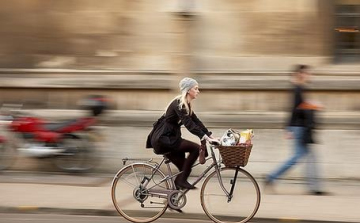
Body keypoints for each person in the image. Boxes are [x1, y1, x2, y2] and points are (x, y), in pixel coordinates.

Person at [264, 64, 327, 195]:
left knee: (307, 156)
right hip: (299, 128)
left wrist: (311, 104)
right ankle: (271, 177)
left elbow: (298, 107)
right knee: (298, 157)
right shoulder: (297, 89)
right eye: (307, 73)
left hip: (300, 127)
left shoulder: (300, 89)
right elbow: (295, 109)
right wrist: (314, 105)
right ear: (300, 74)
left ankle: (313, 187)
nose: (310, 75)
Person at [146, 77, 218, 190]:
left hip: (171, 138)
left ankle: (172, 199)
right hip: (164, 139)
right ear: (189, 90)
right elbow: (189, 124)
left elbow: (196, 121)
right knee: (195, 149)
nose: (198, 91)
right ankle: (181, 182)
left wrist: (209, 135)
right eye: (196, 88)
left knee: (185, 168)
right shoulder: (179, 104)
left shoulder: (187, 104)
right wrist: (205, 137)